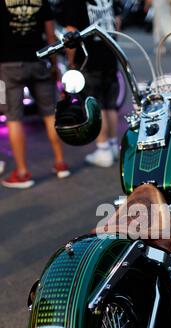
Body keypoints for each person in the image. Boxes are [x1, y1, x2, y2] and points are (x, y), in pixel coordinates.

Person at [0, 0, 70, 189]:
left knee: (13, 117)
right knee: (50, 114)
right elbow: (49, 35)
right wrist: (54, 64)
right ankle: (60, 162)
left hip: (8, 64)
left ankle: (22, 173)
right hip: (39, 60)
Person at [63, 0, 123, 168]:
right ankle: (112, 145)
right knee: (110, 105)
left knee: (97, 106)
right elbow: (117, 23)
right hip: (110, 56)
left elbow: (70, 33)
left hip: (89, 59)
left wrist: (71, 61)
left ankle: (103, 149)